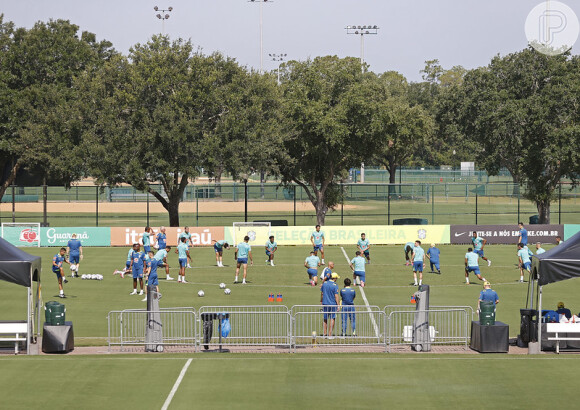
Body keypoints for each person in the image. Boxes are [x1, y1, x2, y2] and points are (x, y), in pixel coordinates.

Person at [320, 272, 339, 339]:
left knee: (325, 318)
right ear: (334, 278)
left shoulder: (324, 284)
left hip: (325, 303)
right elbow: (336, 295)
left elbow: (322, 293)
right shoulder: (335, 285)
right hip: (332, 304)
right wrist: (338, 305)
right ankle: (330, 334)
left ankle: (324, 334)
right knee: (332, 318)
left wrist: (321, 301)